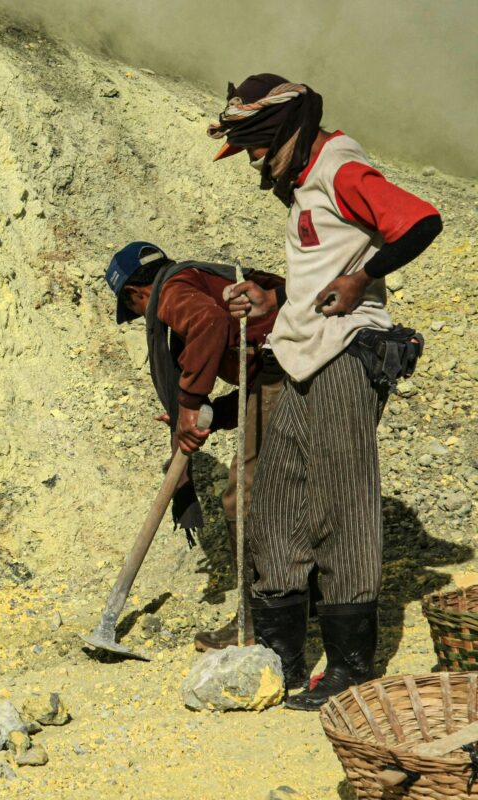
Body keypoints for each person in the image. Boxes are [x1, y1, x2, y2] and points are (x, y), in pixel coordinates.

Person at [209, 73, 441, 710]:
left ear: (282, 131)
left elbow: (421, 221)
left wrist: (365, 278)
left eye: (256, 147)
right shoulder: (307, 185)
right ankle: (280, 656)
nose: (255, 161)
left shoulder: (339, 168)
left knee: (341, 504)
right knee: (277, 500)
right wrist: (271, 297)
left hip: (346, 353)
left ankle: (349, 668)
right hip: (301, 354)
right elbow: (319, 267)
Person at [104, 242, 286, 650]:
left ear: (136, 294)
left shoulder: (172, 290)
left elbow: (207, 323)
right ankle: (293, 603)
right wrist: (209, 413)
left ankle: (257, 620)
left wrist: (188, 403)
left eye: (134, 312)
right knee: (289, 495)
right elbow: (253, 381)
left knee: (245, 498)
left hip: (293, 373)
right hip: (292, 371)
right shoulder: (198, 281)